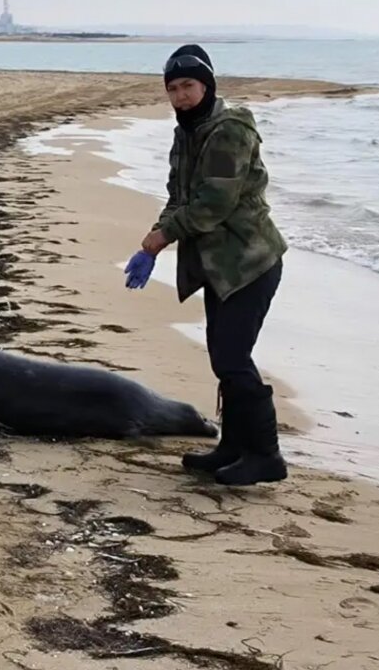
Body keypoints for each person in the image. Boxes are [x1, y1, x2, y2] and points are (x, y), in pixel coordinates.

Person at [124, 44, 288, 486]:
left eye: (189, 86)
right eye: (173, 89)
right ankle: (232, 447)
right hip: (218, 266)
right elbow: (179, 197)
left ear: (208, 85)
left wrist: (160, 239)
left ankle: (266, 455)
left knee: (234, 358)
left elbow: (214, 204)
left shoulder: (229, 130)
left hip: (250, 262)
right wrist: (153, 239)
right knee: (224, 357)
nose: (180, 96)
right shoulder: (187, 132)